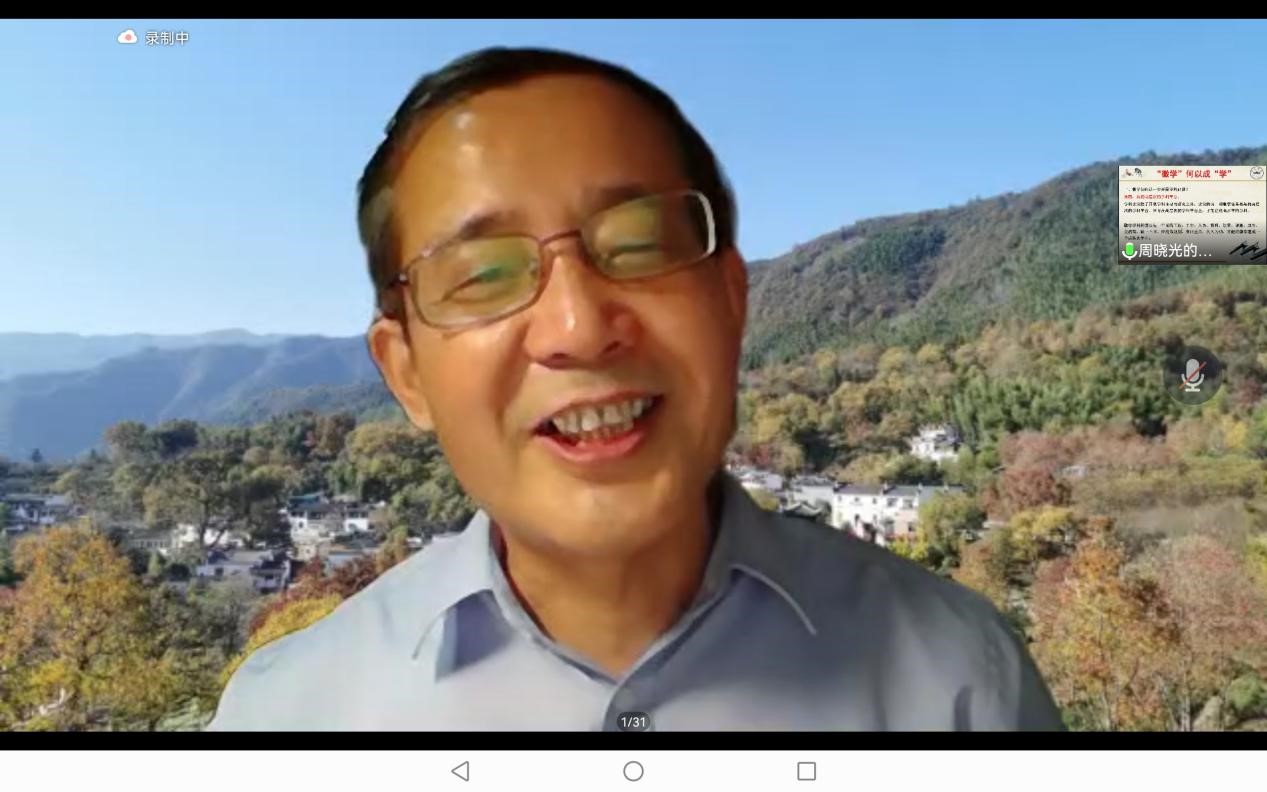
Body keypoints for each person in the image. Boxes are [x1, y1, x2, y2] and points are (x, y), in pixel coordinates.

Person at [209, 46, 1064, 731]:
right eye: (483, 275)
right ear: (405, 372)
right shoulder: (289, 715)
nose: (578, 326)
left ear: (731, 300)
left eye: (640, 244)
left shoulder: (957, 680)